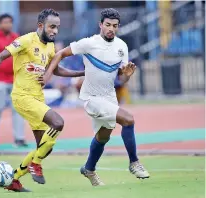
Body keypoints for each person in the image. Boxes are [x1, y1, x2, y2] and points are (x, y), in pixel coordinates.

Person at [0, 9, 84, 192]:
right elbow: (1, 55)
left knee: (44, 147)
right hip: (22, 97)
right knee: (58, 122)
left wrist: (83, 72)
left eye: (57, 27)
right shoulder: (26, 40)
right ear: (41, 26)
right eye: (51, 27)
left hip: (37, 98)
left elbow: (57, 69)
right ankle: (36, 164)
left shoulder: (50, 47)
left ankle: (14, 179)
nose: (55, 31)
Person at [43, 8, 150, 187]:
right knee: (128, 120)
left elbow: (121, 79)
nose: (111, 29)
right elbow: (60, 54)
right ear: (101, 25)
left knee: (103, 137)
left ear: (118, 27)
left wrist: (127, 75)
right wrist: (48, 75)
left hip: (109, 98)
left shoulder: (121, 46)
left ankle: (88, 168)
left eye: (115, 26)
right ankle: (134, 163)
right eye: (107, 25)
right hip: (91, 98)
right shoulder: (89, 43)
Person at [0, 14, 27, 148]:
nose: (7, 25)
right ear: (0, 24)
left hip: (15, 79)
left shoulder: (16, 38)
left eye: (9, 22)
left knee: (18, 109)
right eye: (5, 22)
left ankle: (19, 138)